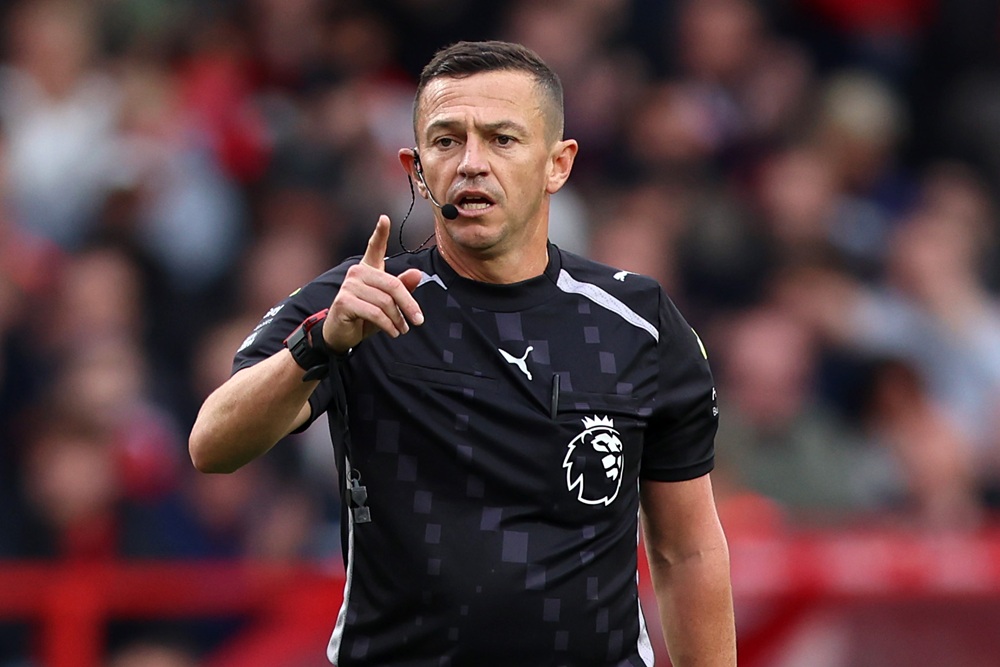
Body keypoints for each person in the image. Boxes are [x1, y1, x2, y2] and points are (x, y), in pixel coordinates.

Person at [189, 40, 735, 667]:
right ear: (416, 168)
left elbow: (686, 550)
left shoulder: (639, 323)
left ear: (558, 164)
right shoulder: (355, 302)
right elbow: (212, 444)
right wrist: (317, 345)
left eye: (502, 139)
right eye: (447, 141)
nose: (472, 163)